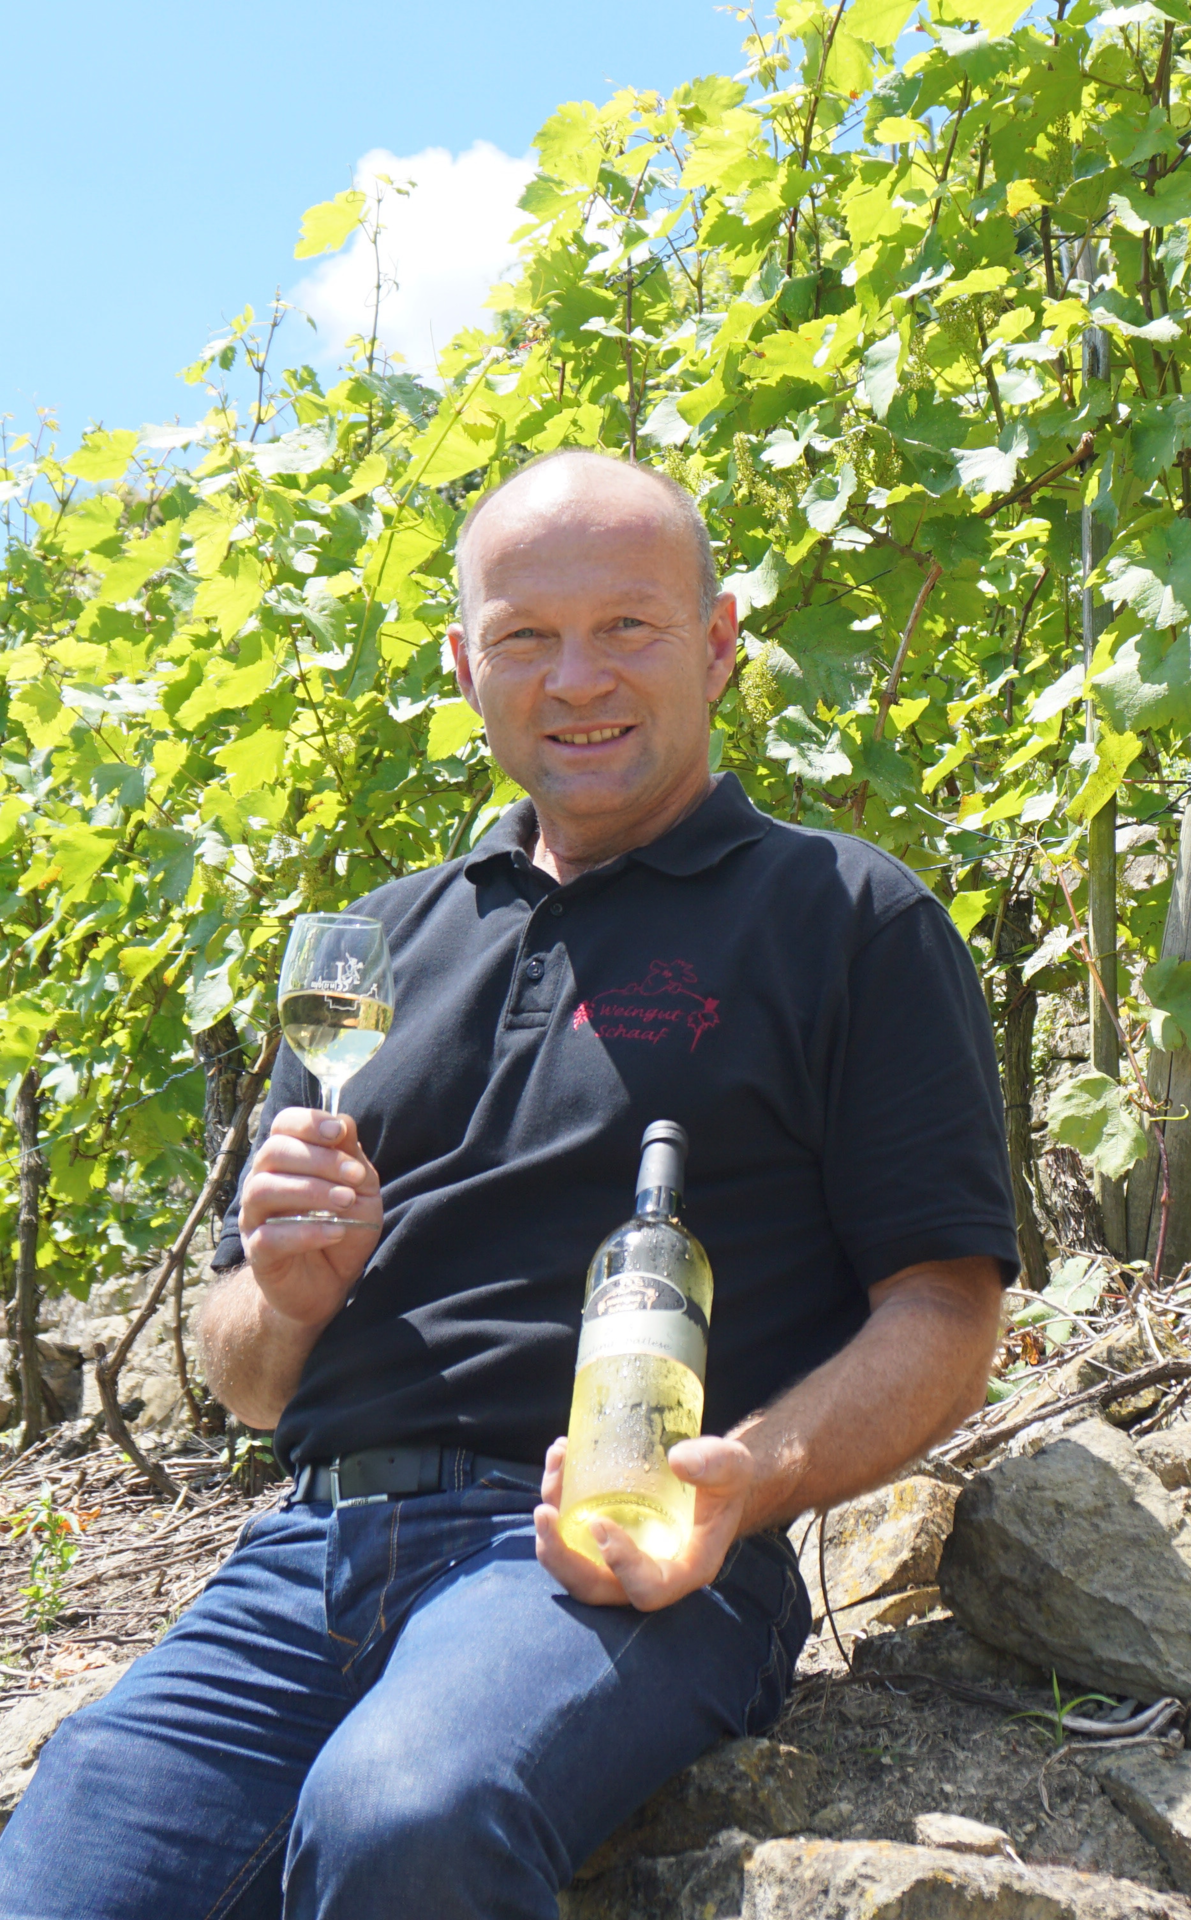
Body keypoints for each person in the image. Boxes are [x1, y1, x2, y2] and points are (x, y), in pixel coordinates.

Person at [0, 450, 1017, 1920]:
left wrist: (750, 1481)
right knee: (65, 1861)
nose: (576, 678)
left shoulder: (848, 918)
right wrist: (284, 1295)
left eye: (628, 627)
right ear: (465, 665)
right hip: (309, 1553)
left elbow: (946, 1308)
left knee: (406, 1816)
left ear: (719, 642)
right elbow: (249, 1380)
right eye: (526, 636)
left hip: (614, 1553)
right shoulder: (374, 946)